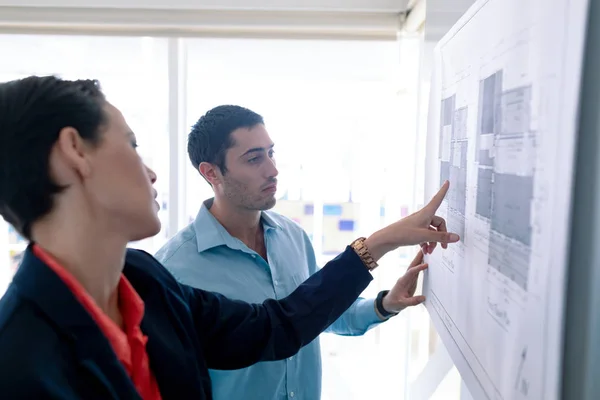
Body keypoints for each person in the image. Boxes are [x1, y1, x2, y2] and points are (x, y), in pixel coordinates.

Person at [0, 75, 458, 400]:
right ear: (74, 153)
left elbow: (276, 327)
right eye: (132, 144)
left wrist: (379, 246)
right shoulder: (19, 362)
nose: (152, 171)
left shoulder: (144, 281)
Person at [155, 105, 444, 400]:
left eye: (271, 153)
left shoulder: (292, 236)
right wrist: (378, 244)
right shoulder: (174, 269)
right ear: (211, 172)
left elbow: (317, 313)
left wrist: (385, 304)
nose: (272, 170)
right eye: (254, 159)